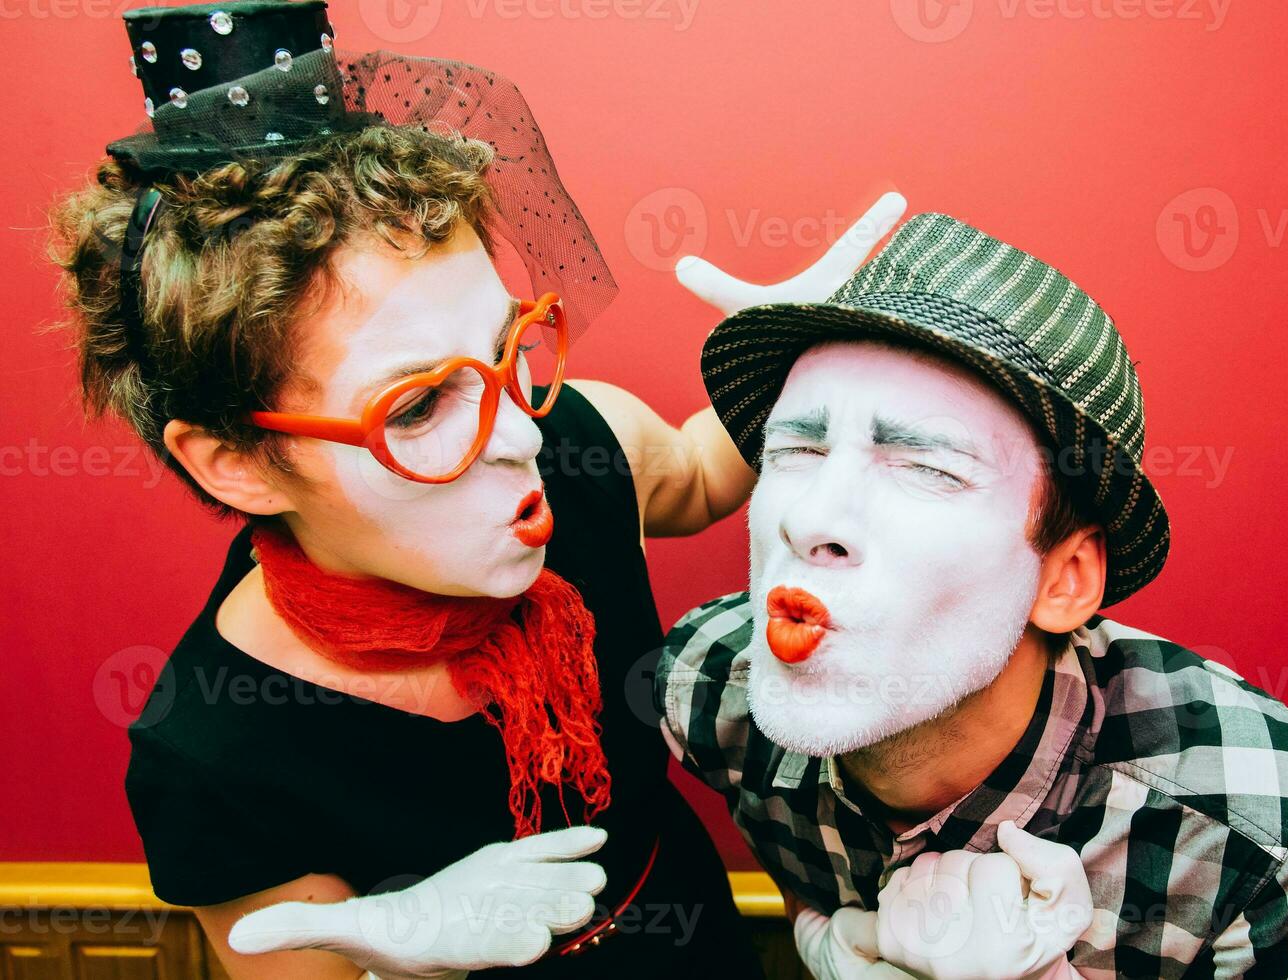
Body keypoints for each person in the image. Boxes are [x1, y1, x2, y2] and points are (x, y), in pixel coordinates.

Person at [50, 2, 903, 975]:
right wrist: (405, 954)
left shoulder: (576, 439)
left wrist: (789, 353)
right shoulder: (215, 747)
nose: (519, 433)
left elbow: (704, 471)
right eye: (416, 408)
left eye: (505, 349)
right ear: (233, 462)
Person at [658, 212, 1288, 978]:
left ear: (1065, 579)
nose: (808, 521)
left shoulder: (1264, 842)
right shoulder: (705, 686)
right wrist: (822, 934)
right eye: (796, 449)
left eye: (930, 469)